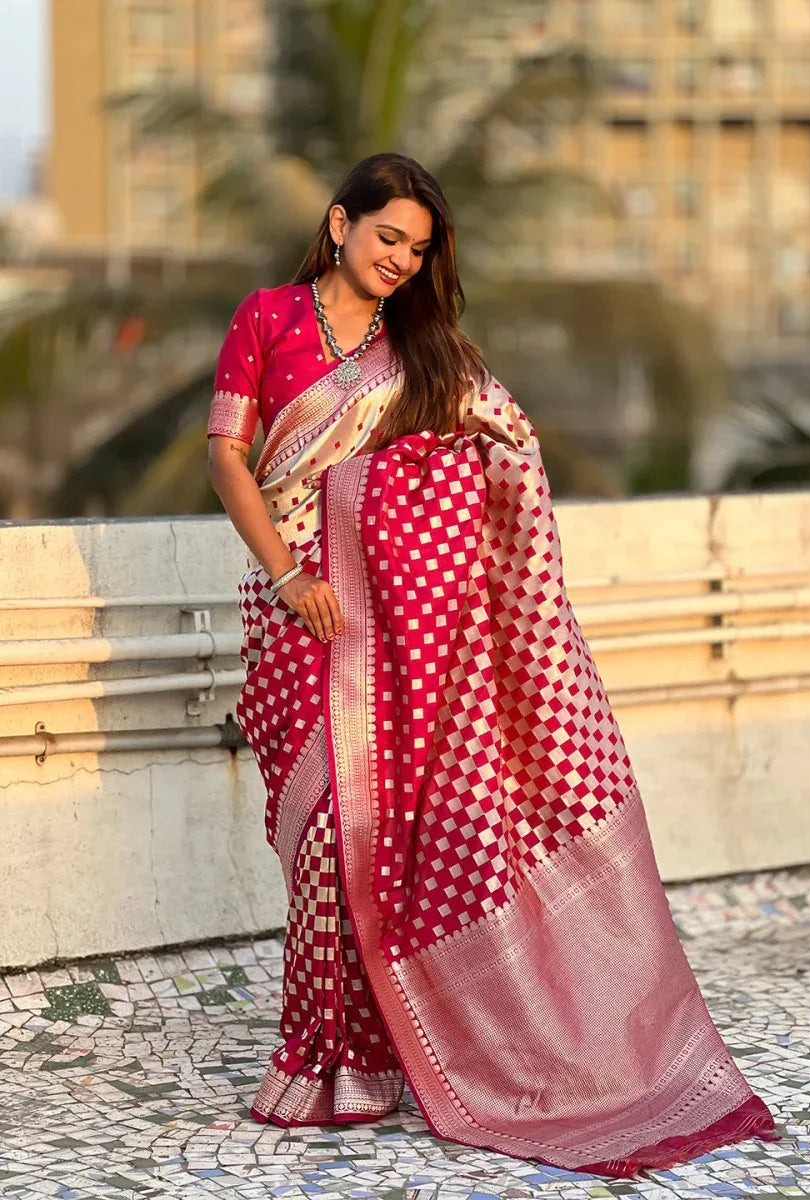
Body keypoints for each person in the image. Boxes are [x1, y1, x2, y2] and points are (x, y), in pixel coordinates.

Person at [206, 153, 779, 1178]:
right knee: (324, 836)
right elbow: (226, 459)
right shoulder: (268, 318)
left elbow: (510, 447)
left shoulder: (426, 352)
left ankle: (391, 1057)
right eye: (387, 237)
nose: (400, 261)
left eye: (418, 250)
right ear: (340, 223)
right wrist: (292, 572)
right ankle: (325, 1059)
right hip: (295, 610)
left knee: (389, 836)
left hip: (402, 634)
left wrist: (412, 490)